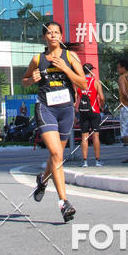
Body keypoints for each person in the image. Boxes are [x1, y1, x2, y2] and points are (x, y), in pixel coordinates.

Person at [22, 20, 87, 223]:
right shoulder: (38, 59)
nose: (53, 36)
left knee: (56, 156)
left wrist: (65, 69)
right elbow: (23, 81)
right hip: (46, 108)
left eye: (56, 32)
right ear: (44, 37)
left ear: (61, 36)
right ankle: (63, 202)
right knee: (56, 153)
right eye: (49, 33)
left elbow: (83, 83)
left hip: (66, 110)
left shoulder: (70, 56)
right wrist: (31, 79)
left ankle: (43, 179)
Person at [77, 63, 105, 167]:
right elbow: (101, 97)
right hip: (94, 110)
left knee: (84, 136)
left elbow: (77, 98)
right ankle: (97, 160)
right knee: (95, 135)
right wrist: (102, 106)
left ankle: (84, 161)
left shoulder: (79, 83)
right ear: (90, 71)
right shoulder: (96, 82)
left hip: (83, 111)